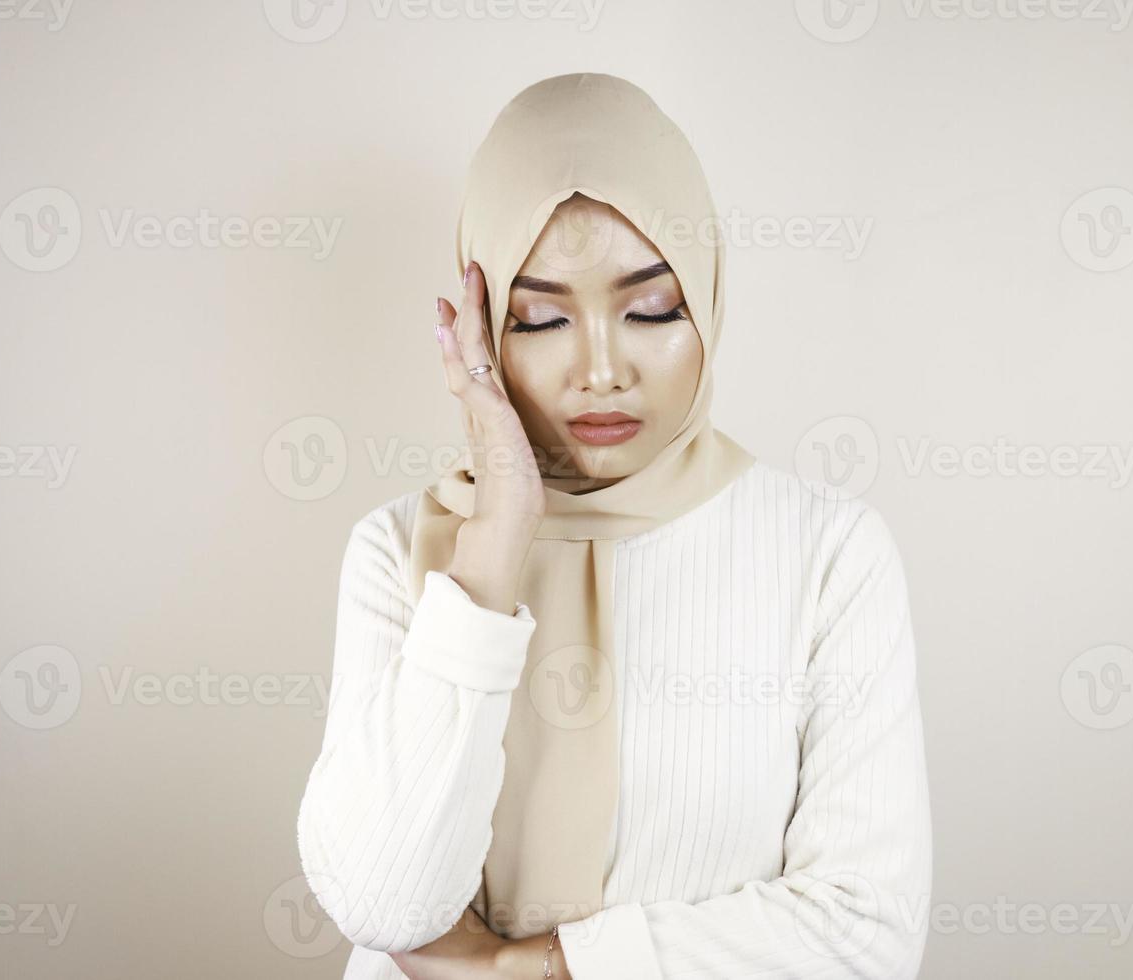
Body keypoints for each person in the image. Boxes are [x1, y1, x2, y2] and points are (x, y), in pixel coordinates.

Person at [296, 71, 932, 980]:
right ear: (483, 326)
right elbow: (382, 902)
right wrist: (494, 540)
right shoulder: (401, 551)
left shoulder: (827, 554)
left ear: (707, 293)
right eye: (541, 318)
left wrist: (531, 970)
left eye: (650, 310)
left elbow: (864, 936)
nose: (601, 370)